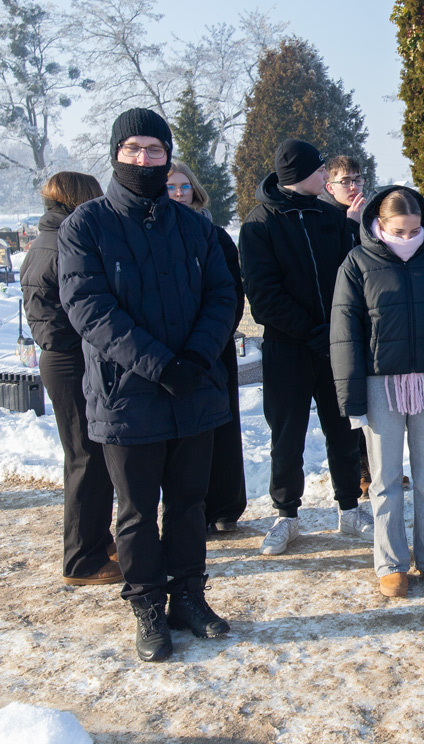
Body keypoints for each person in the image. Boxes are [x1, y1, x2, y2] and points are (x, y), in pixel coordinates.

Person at [58, 108, 237, 662]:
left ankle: (189, 597)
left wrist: (196, 357)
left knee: (189, 503)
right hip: (126, 394)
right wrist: (161, 365)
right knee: (136, 510)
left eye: (154, 149)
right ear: (116, 153)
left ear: (167, 155)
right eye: (133, 148)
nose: (144, 158)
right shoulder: (86, 225)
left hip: (194, 388)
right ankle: (148, 607)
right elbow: (89, 307)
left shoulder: (194, 226)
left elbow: (223, 295)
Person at [331, 186, 424, 598]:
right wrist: (353, 400)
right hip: (381, 384)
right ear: (379, 224)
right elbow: (344, 335)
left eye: (415, 230)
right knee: (386, 479)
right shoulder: (358, 262)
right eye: (399, 231)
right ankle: (390, 562)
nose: (408, 238)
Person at [240, 139, 370, 556]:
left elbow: (351, 279)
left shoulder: (330, 217)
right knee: (287, 434)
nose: (326, 176)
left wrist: (335, 330)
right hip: (287, 348)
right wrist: (311, 331)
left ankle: (350, 508)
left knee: (343, 430)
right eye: (319, 170)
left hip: (335, 345)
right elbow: (263, 297)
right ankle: (286, 515)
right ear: (299, 175)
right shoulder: (259, 224)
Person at [21, 171, 119, 586]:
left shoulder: (44, 239)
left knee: (87, 455)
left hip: (59, 356)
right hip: (70, 358)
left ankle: (97, 538)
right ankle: (82, 559)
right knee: (87, 458)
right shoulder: (65, 242)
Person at [167, 161, 247, 534]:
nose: (179, 193)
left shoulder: (216, 236)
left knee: (221, 429)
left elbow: (231, 294)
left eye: (184, 186)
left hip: (214, 347)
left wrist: (212, 339)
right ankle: (188, 511)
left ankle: (225, 506)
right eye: (171, 187)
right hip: (173, 352)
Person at [323, 155, 372, 496]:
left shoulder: (368, 214)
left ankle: (374, 467)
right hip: (338, 322)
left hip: (369, 320)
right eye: (346, 181)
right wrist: (350, 226)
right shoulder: (327, 217)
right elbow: (336, 266)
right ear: (330, 186)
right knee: (346, 406)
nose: (353, 186)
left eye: (357, 179)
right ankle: (357, 473)